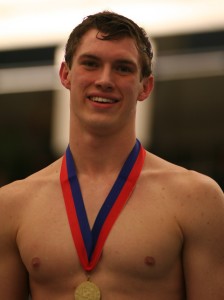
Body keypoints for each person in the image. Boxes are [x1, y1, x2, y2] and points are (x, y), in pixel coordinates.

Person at [0, 11, 224, 300]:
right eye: (91, 64)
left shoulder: (197, 198)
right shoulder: (12, 205)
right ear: (66, 74)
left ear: (146, 86)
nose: (105, 80)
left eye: (123, 68)